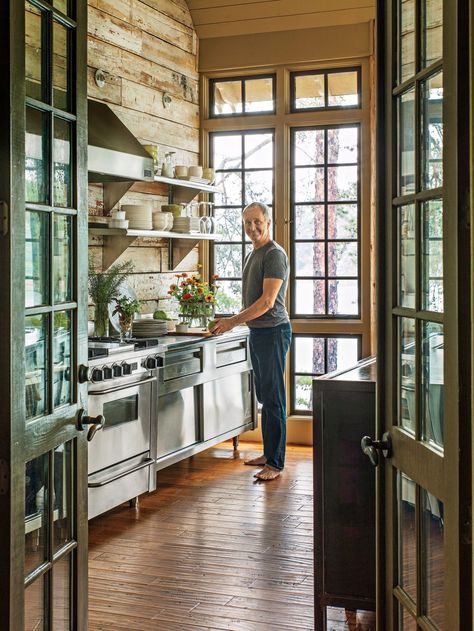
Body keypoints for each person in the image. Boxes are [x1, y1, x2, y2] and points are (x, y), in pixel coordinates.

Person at [210, 202, 292, 481]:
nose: (252, 227)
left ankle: (276, 463)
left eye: (257, 221)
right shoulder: (253, 254)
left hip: (273, 332)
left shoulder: (274, 255)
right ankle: (269, 455)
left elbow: (267, 302)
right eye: (247, 223)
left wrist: (233, 322)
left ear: (268, 222)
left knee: (274, 400)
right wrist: (233, 321)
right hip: (259, 332)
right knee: (265, 397)